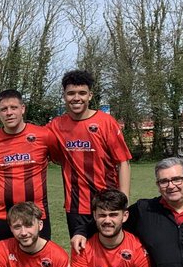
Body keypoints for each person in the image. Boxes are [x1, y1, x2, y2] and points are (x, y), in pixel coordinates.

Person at [47, 70, 132, 253]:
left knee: (110, 253)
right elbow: (25, 137)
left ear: (90, 95)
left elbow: (123, 162)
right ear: (64, 96)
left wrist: (123, 201)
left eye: (82, 93)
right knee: (82, 254)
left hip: (108, 204)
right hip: (76, 207)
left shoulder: (106, 122)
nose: (76, 98)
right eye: (71, 93)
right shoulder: (56, 125)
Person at [0, 89, 61, 243]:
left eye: (13, 107)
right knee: (4, 264)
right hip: (3, 217)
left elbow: (62, 161)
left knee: (37, 263)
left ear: (22, 109)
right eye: (4, 109)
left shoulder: (44, 136)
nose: (9, 113)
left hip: (37, 215)